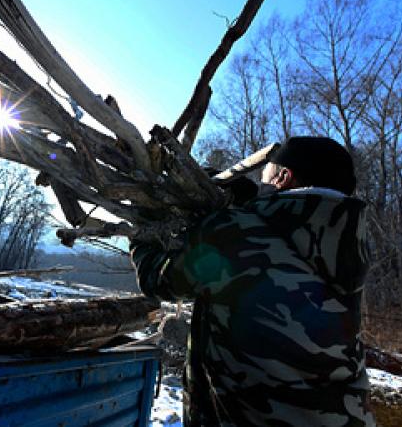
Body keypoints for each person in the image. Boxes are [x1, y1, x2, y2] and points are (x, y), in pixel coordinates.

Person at [131, 136, 375, 426]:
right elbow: (283, 236)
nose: (260, 182)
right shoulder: (350, 244)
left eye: (265, 175)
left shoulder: (235, 232)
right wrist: (249, 196)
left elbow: (156, 279)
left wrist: (141, 225)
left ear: (283, 177)